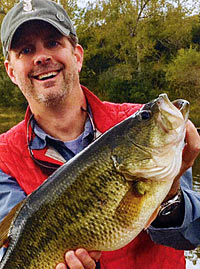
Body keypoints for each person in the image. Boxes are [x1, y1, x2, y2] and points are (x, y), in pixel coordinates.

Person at [0, 0, 200, 268]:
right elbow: (13, 250)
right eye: (25, 49)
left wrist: (171, 195)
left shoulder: (142, 126)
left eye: (53, 42)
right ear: (11, 71)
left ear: (78, 56)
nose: (42, 56)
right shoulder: (2, 157)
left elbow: (191, 235)